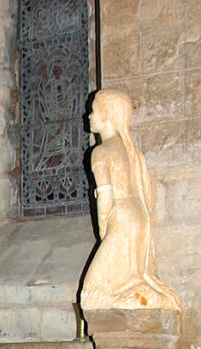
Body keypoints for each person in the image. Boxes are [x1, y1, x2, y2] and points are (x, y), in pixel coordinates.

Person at [80, 89, 181, 311]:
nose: (89, 115)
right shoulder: (129, 152)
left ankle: (154, 300)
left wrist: (104, 227)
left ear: (106, 116)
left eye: (94, 111)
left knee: (91, 296)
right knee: (129, 280)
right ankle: (154, 299)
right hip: (138, 217)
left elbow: (105, 193)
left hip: (121, 218)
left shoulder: (101, 152)